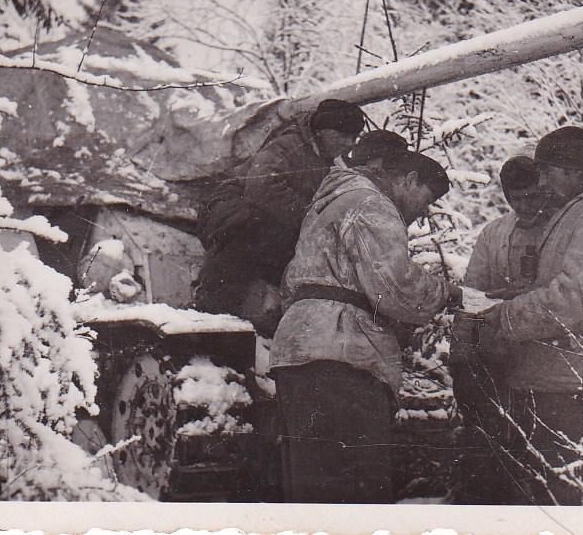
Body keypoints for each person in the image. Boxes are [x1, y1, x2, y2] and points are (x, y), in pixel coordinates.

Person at [270, 150, 461, 504]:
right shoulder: (373, 204)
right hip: (342, 354)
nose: (423, 212)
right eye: (426, 198)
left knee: (312, 487)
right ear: (409, 179)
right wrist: (443, 292)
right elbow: (395, 287)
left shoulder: (329, 204)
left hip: (301, 349)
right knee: (356, 487)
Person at [476, 126, 583, 506]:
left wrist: (507, 317)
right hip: (574, 385)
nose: (540, 182)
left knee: (569, 506)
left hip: (582, 392)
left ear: (570, 171)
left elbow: (574, 302)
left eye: (546, 171)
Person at [195, 99, 365, 333]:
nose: (349, 144)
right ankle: (210, 306)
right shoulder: (288, 145)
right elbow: (262, 187)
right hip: (232, 206)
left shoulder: (329, 159)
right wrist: (311, 220)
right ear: (323, 131)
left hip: (272, 215)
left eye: (354, 138)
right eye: (343, 135)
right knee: (252, 232)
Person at [449, 155, 549, 504]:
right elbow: (473, 295)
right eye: (516, 198)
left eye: (532, 197)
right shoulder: (494, 233)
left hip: (542, 365)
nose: (525, 206)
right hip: (493, 359)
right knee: (488, 450)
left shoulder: (561, 229)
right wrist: (461, 359)